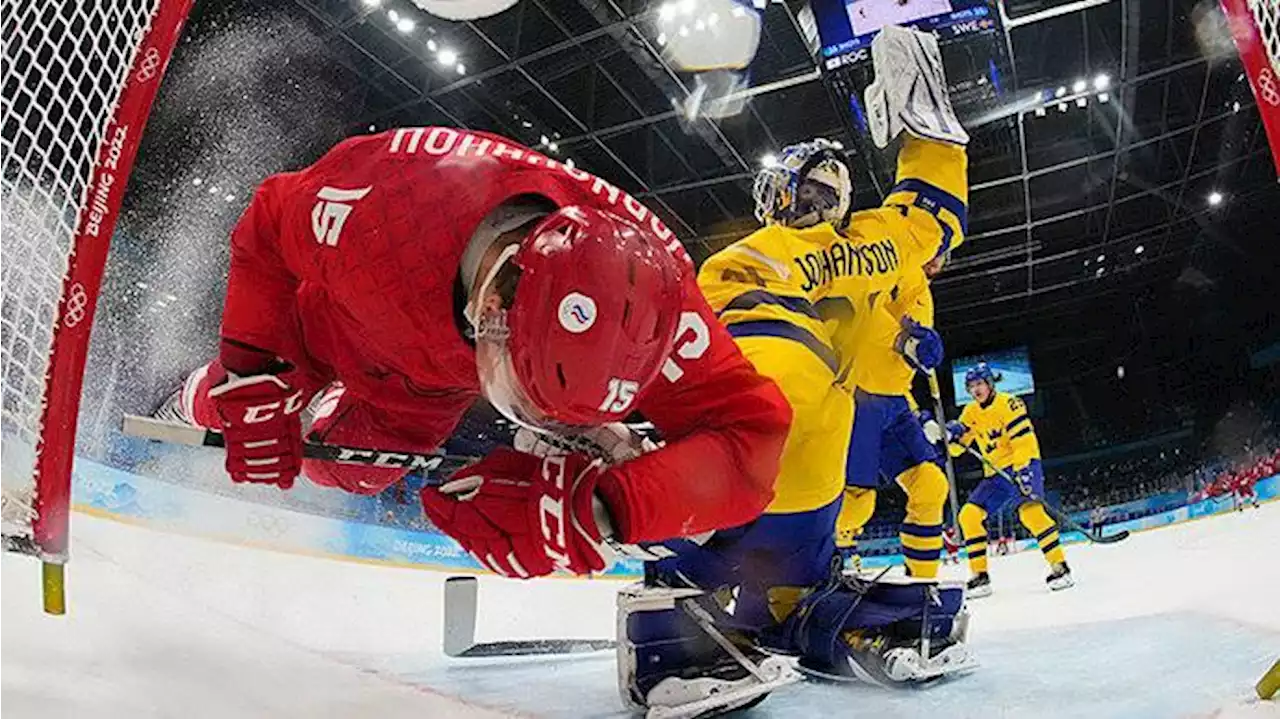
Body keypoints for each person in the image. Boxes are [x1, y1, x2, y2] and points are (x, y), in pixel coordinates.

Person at [155, 125, 799, 717]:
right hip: (333, 319)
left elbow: (754, 441)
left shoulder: (656, 296)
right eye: (524, 393)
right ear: (493, 302)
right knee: (264, 406)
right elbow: (267, 218)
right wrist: (250, 368)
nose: (539, 426)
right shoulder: (383, 203)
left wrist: (602, 506)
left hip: (430, 380)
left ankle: (318, 417)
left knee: (357, 472)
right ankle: (200, 394)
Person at [688, 24, 974, 689]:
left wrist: (925, 124)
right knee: (808, 507)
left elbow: (928, 225)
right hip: (796, 424)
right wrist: (926, 129)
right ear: (782, 198)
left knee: (883, 500)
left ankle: (772, 604)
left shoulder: (852, 251)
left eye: (837, 198)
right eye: (814, 195)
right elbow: (931, 214)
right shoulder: (760, 256)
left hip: (831, 421)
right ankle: (724, 599)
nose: (828, 207)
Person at [835, 250, 950, 581]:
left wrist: (919, 412)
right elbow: (854, 308)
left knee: (930, 485)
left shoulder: (922, 293)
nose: (937, 257)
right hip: (856, 396)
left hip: (895, 404)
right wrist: (902, 340)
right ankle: (784, 576)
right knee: (855, 505)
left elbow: (898, 370)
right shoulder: (883, 258)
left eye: (944, 251)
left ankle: (923, 583)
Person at [936, 363, 1073, 596]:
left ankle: (1060, 567)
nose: (976, 390)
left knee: (1030, 513)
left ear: (990, 384)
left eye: (980, 384)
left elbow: (1023, 440)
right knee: (968, 516)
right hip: (995, 474)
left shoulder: (1009, 403)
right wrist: (951, 436)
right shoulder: (970, 412)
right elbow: (960, 448)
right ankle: (980, 577)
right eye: (971, 386)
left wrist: (1024, 470)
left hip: (1022, 465)